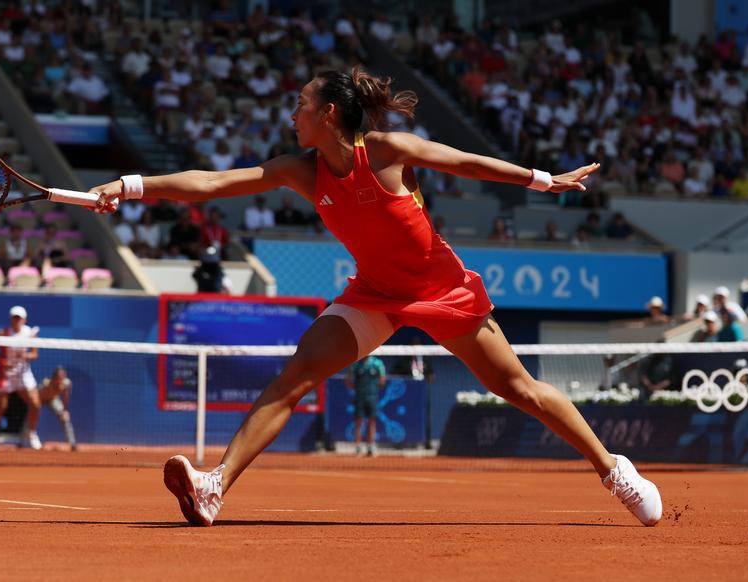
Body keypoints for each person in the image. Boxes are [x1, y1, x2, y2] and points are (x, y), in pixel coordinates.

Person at [90, 66, 661, 527]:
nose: (293, 116)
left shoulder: (386, 151)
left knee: (520, 389)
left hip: (441, 289)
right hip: (375, 295)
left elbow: (465, 162)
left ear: (328, 113)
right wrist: (126, 186)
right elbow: (211, 183)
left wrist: (543, 179)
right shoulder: (302, 171)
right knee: (296, 376)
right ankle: (214, 486)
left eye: (301, 106)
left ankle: (613, 469)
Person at [0, 306, 41, 451]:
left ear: (24, 319)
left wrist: (26, 356)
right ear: (11, 319)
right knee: (0, 407)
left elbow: (35, 355)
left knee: (35, 404)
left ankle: (32, 433)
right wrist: (3, 362)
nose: (17, 320)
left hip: (24, 374)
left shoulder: (30, 333)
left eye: (19, 318)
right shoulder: (3, 333)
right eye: (14, 317)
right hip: (6, 375)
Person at [345, 353, 386, 456]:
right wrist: (356, 388)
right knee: (358, 421)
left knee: (372, 421)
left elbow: (382, 379)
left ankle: (371, 446)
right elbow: (348, 379)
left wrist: (374, 389)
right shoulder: (355, 364)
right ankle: (358, 447)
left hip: (372, 397)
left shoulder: (377, 363)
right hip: (359, 397)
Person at [37, 366, 77, 451]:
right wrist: (36, 407)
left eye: (63, 376)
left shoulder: (66, 383)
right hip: (40, 399)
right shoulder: (46, 383)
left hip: (53, 399)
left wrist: (65, 410)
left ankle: (72, 443)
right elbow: (36, 396)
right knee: (31, 416)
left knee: (65, 418)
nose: (62, 379)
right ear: (54, 377)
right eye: (60, 377)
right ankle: (24, 441)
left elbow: (65, 397)